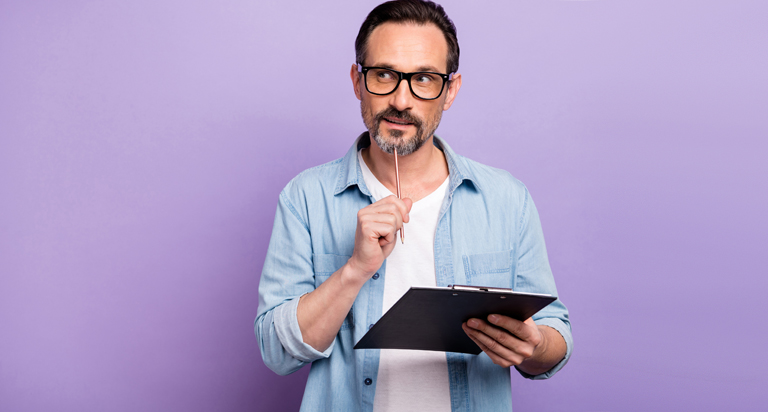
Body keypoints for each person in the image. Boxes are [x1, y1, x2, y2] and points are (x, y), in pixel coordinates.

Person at [255, 1, 572, 410]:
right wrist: (354, 270)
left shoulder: (506, 199)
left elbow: (555, 339)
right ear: (357, 81)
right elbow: (277, 353)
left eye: (423, 78)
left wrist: (534, 345)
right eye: (384, 75)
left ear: (450, 91)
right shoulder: (305, 197)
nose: (401, 100)